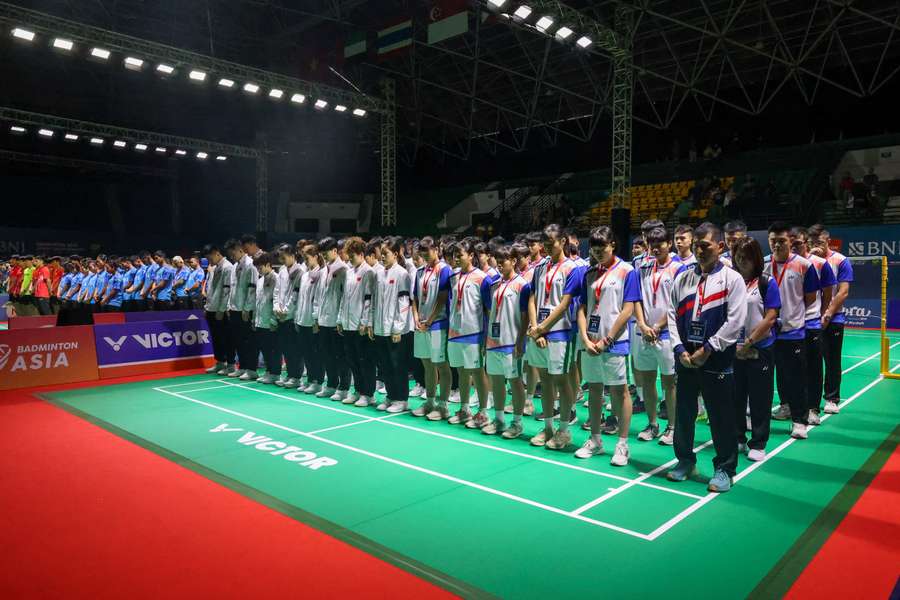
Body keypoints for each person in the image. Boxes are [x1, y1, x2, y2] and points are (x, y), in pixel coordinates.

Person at [666, 222, 747, 493]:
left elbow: (736, 321)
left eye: (705, 246)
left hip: (717, 359)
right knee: (684, 413)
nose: (699, 251)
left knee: (721, 415)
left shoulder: (732, 279)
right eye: (697, 246)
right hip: (687, 358)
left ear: (720, 247)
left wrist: (708, 349)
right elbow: (670, 316)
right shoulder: (682, 278)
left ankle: (725, 468)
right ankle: (685, 461)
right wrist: (680, 350)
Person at [575, 226, 639, 464]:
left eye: (602, 247)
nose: (598, 251)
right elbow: (582, 308)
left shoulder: (627, 271)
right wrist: (584, 337)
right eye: (594, 248)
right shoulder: (589, 273)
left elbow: (628, 309)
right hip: (590, 342)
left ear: (613, 244)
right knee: (593, 389)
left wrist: (607, 339)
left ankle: (622, 445)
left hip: (614, 342)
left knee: (618, 391)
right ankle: (595, 440)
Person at [526, 224, 582, 450]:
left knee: (561, 380)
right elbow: (532, 297)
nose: (548, 248)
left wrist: (542, 328)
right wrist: (535, 327)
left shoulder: (573, 268)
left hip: (560, 332)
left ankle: (564, 430)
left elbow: (566, 302)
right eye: (545, 244)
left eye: (552, 244)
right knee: (545, 380)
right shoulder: (540, 267)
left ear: (564, 242)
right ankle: (548, 427)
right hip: (539, 330)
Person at [764, 222, 820, 439]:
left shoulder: (804, 265)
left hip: (792, 332)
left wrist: (791, 315)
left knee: (796, 379)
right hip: (767, 332)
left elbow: (810, 298)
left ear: (790, 242)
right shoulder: (763, 265)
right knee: (766, 378)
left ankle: (799, 421)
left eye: (782, 241)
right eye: (773, 241)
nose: (777, 245)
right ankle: (765, 416)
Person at [633, 227, 685, 446]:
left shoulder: (679, 268)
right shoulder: (642, 267)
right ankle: (652, 424)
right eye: (652, 244)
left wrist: (657, 326)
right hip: (644, 333)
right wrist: (643, 325)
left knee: (669, 383)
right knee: (646, 381)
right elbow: (635, 299)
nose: (655, 248)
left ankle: (672, 427)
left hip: (666, 335)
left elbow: (678, 302)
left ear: (669, 244)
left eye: (660, 244)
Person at [731, 237, 780, 462]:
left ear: (756, 259)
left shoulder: (766, 282)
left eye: (746, 258)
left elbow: (770, 317)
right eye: (738, 258)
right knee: (736, 396)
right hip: (734, 350)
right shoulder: (731, 282)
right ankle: (739, 436)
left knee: (760, 398)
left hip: (760, 349)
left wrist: (749, 341)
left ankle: (758, 442)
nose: (742, 262)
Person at [482, 244, 530, 437]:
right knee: (497, 381)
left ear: (514, 261)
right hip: (494, 342)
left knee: (515, 382)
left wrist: (520, 341)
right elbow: (490, 313)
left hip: (512, 343)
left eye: (504, 262)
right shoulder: (494, 285)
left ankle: (517, 423)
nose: (500, 266)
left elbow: (526, 316)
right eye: (498, 262)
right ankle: (499, 420)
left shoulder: (522, 285)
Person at [790, 227, 835, 426]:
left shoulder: (820, 264)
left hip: (810, 323)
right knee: (791, 370)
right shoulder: (784, 264)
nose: (793, 246)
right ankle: (789, 406)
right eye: (790, 242)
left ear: (806, 242)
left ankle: (813, 409)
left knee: (813, 368)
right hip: (790, 326)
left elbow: (827, 293)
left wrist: (821, 314)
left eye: (798, 242)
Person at [446, 238, 492, 427]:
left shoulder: (483, 278)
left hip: (474, 333)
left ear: (471, 255)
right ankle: (465, 409)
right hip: (455, 332)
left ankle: (482, 412)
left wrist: (487, 337)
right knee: (461, 372)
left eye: (460, 255)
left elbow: (489, 310)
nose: (456, 258)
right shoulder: (453, 277)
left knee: (478, 373)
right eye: (455, 255)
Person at [808, 225, 853, 414]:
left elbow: (843, 292)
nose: (815, 246)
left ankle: (832, 398)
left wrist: (827, 313)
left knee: (832, 360)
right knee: (810, 362)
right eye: (811, 243)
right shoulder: (807, 261)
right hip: (810, 319)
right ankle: (809, 402)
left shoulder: (841, 261)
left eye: (819, 242)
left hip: (833, 319)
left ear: (828, 241)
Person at [368, 236, 413, 413]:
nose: (382, 257)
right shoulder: (379, 273)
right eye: (381, 253)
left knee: (397, 365)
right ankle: (390, 396)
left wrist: (398, 328)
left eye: (385, 253)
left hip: (396, 330)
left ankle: (401, 399)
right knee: (385, 364)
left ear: (395, 254)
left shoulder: (402, 274)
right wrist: (371, 323)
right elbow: (374, 301)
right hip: (380, 327)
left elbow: (404, 303)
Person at [410, 236, 454, 420]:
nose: (425, 255)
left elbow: (443, 298)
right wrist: (416, 318)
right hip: (421, 325)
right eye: (422, 253)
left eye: (427, 251)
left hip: (437, 325)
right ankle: (430, 401)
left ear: (436, 249)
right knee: (427, 365)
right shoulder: (420, 271)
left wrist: (430, 320)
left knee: (441, 366)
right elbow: (415, 299)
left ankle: (443, 406)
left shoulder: (445, 270)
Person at [338, 237, 376, 405]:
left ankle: (368, 394)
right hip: (347, 324)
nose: (350, 258)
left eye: (352, 255)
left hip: (360, 325)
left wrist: (365, 322)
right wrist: (340, 319)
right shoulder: (348, 271)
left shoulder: (369, 272)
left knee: (365, 361)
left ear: (361, 254)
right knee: (352, 360)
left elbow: (369, 299)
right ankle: (358, 390)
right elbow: (344, 298)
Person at [315, 237, 350, 401]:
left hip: (336, 322)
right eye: (321, 254)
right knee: (326, 355)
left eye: (325, 253)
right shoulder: (323, 271)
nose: (323, 256)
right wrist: (317, 318)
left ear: (335, 251)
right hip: (323, 320)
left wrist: (340, 319)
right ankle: (331, 385)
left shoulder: (343, 270)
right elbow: (319, 296)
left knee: (340, 356)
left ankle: (343, 387)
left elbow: (344, 298)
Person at [225, 239, 259, 380]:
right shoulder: (235, 266)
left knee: (249, 341)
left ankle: (252, 369)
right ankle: (243, 367)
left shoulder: (251, 265)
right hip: (234, 309)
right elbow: (232, 288)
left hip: (246, 310)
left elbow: (252, 289)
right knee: (238, 340)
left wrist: (247, 308)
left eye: (233, 254)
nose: (231, 257)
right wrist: (228, 305)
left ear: (240, 250)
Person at [295, 244, 326, 394]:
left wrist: (315, 320)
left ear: (315, 256)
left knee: (315, 354)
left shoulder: (320, 274)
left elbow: (318, 299)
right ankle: (310, 380)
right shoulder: (305, 275)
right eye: (304, 259)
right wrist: (297, 318)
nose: (305, 261)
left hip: (312, 322)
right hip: (302, 320)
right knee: (306, 352)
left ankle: (318, 382)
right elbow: (301, 299)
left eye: (307, 258)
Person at [273, 244, 303, 388]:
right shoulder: (282, 270)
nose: (281, 260)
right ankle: (290, 375)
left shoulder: (300, 271)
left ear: (292, 255)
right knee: (285, 348)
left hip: (292, 316)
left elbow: (295, 295)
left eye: (283, 257)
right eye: (280, 257)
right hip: (281, 316)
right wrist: (277, 307)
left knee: (294, 349)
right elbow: (277, 291)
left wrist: (285, 311)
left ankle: (296, 377)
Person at [203, 243, 236, 375]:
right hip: (212, 308)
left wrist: (221, 310)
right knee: (216, 338)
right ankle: (220, 362)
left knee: (226, 338)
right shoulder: (215, 268)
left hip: (220, 311)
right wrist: (207, 307)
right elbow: (211, 290)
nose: (209, 261)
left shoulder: (228, 267)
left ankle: (231, 364)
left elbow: (227, 291)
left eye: (210, 257)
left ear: (217, 252)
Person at [253, 252, 280, 384]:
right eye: (257, 268)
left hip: (270, 321)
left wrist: (274, 320)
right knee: (265, 348)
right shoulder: (259, 280)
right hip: (260, 321)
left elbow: (276, 300)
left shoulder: (276, 278)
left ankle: (275, 373)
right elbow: (257, 302)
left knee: (273, 350)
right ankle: (269, 371)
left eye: (260, 267)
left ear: (268, 265)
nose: (258, 270)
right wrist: (254, 319)